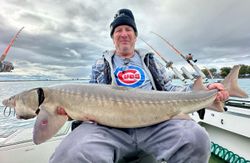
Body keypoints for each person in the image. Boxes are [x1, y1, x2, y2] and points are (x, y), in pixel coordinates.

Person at [49, 9, 229, 163]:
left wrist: (206, 91)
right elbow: (90, 98)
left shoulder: (152, 62)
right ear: (113, 37)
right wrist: (71, 111)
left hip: (156, 124)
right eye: (118, 30)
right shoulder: (100, 64)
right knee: (69, 153)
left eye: (128, 29)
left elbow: (170, 90)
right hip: (109, 128)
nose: (124, 33)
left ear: (135, 35)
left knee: (196, 138)